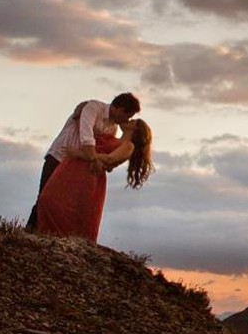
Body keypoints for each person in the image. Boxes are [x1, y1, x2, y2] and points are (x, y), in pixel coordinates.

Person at [26, 92, 140, 231]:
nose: (127, 120)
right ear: (120, 109)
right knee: (44, 196)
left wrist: (96, 160)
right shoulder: (93, 108)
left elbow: (101, 150)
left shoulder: (112, 128)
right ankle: (29, 231)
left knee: (63, 202)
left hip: (75, 166)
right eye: (128, 116)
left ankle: (49, 234)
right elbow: (87, 138)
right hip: (59, 156)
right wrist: (94, 160)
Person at [32, 117, 153, 241]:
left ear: (135, 128)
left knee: (69, 209)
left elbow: (110, 159)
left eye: (132, 121)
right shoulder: (111, 136)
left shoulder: (128, 146)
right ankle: (48, 235)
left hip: (88, 176)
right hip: (71, 168)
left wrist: (80, 154)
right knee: (48, 198)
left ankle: (60, 239)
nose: (128, 120)